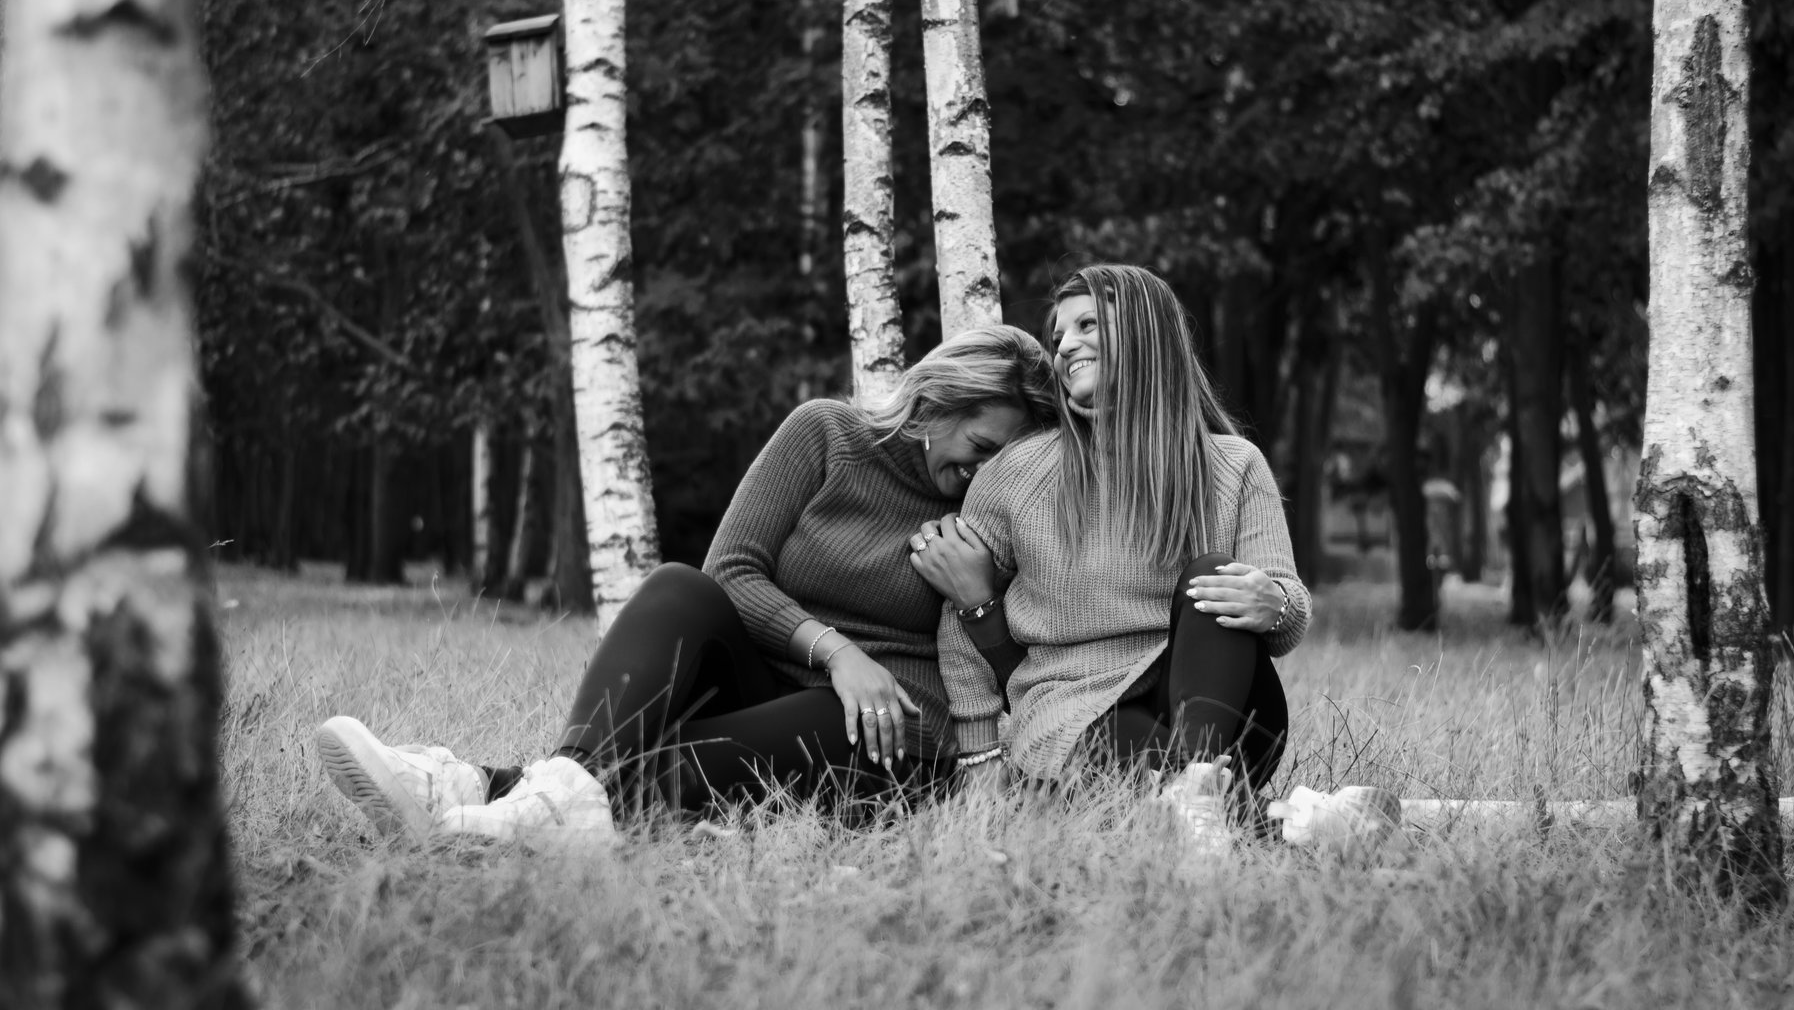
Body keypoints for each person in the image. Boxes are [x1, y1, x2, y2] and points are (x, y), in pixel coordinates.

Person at [317, 324, 1055, 846]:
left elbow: (1023, 663)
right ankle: (523, 796)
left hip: (884, 730)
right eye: (981, 446)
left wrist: (975, 594)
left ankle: (469, 787)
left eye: (1005, 462)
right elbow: (730, 573)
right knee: (678, 586)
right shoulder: (828, 434)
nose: (983, 472)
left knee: (659, 771)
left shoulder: (999, 514)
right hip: (774, 681)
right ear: (937, 403)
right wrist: (835, 651)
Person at [920, 265, 1312, 853]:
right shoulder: (1017, 473)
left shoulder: (1234, 465)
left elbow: (1286, 609)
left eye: (1086, 326)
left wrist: (1273, 602)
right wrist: (980, 754)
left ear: (1145, 332)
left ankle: (1198, 785)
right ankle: (1297, 820)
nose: (1064, 347)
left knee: (1212, 577)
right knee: (1145, 784)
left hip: (1222, 705)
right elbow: (960, 616)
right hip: (1076, 710)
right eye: (1058, 337)